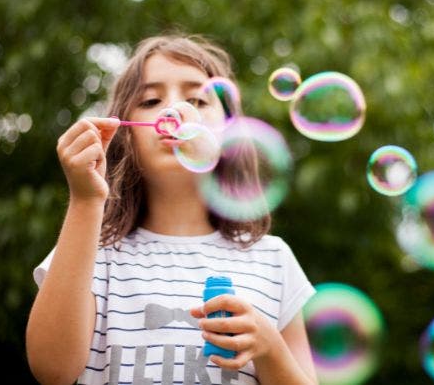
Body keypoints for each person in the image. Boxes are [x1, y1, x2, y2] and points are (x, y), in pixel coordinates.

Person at [25, 33, 318, 385]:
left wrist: (270, 347)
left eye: (197, 98)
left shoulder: (272, 259)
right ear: (124, 133)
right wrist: (86, 200)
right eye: (150, 100)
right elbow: (52, 370)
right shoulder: (93, 253)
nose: (174, 111)